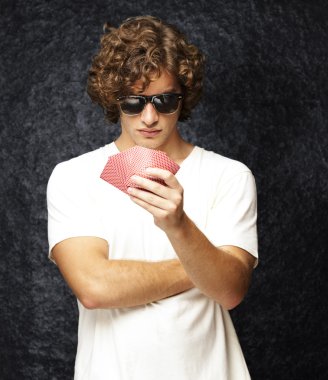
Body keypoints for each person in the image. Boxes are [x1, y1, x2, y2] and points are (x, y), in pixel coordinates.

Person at [47, 15, 258, 380]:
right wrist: (202, 266)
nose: (149, 117)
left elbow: (229, 290)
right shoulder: (74, 177)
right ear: (114, 98)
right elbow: (94, 287)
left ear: (183, 96)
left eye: (164, 101)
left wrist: (178, 227)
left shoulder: (229, 175)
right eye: (134, 102)